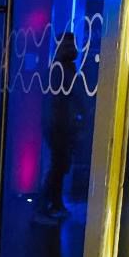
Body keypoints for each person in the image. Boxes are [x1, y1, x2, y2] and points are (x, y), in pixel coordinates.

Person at [34, 30, 82, 224]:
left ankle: (53, 204)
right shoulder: (62, 68)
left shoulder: (60, 67)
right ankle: (46, 205)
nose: (73, 48)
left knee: (59, 166)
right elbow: (69, 97)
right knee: (58, 166)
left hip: (58, 125)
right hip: (58, 125)